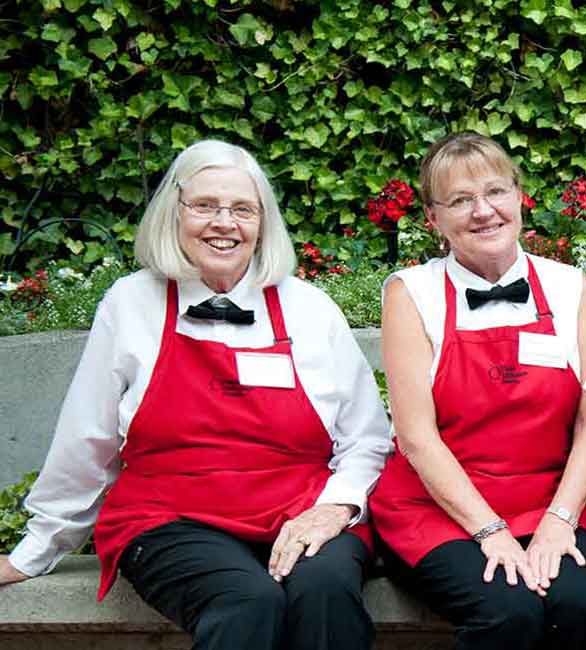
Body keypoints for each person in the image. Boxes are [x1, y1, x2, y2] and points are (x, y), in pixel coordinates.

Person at [0, 140, 392, 650]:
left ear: (263, 224)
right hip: (169, 516)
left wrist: (335, 509)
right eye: (205, 206)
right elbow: (87, 439)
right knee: (245, 601)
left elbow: (366, 439)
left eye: (242, 210)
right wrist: (35, 550)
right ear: (174, 213)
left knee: (325, 592)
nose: (224, 223)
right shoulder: (131, 303)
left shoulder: (309, 309)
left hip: (301, 508)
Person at [370, 132, 586, 649]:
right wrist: (491, 532)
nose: (484, 212)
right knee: (507, 608)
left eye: (496, 192)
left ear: (519, 197)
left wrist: (559, 520)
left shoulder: (574, 290)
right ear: (433, 219)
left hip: (548, 500)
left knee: (581, 604)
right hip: (438, 509)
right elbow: (416, 439)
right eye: (460, 200)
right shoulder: (411, 293)